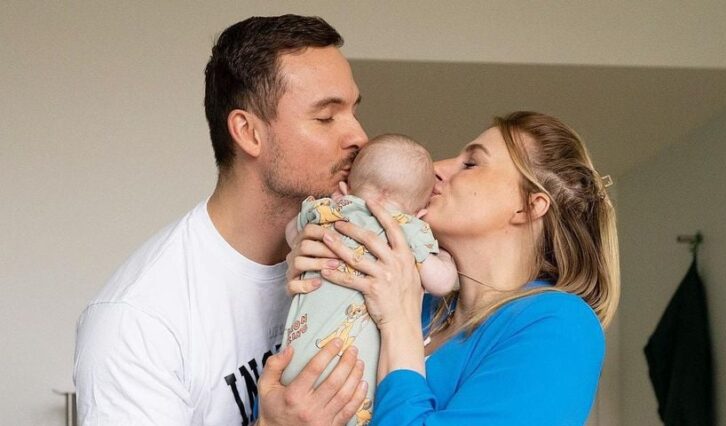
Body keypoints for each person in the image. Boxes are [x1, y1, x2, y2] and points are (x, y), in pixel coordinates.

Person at [73, 15, 370, 425]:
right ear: (248, 132)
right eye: (326, 117)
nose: (359, 136)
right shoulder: (137, 319)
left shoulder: (353, 258)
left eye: (354, 111)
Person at [270, 111, 620, 424]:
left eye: (471, 164)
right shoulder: (418, 301)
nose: (436, 167)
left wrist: (397, 322)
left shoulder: (560, 325)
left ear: (527, 207)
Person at [280, 134, 459, 425]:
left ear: (344, 188)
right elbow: (442, 282)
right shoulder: (407, 228)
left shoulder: (328, 210)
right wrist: (445, 258)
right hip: (352, 386)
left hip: (292, 365)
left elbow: (292, 235)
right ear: (420, 213)